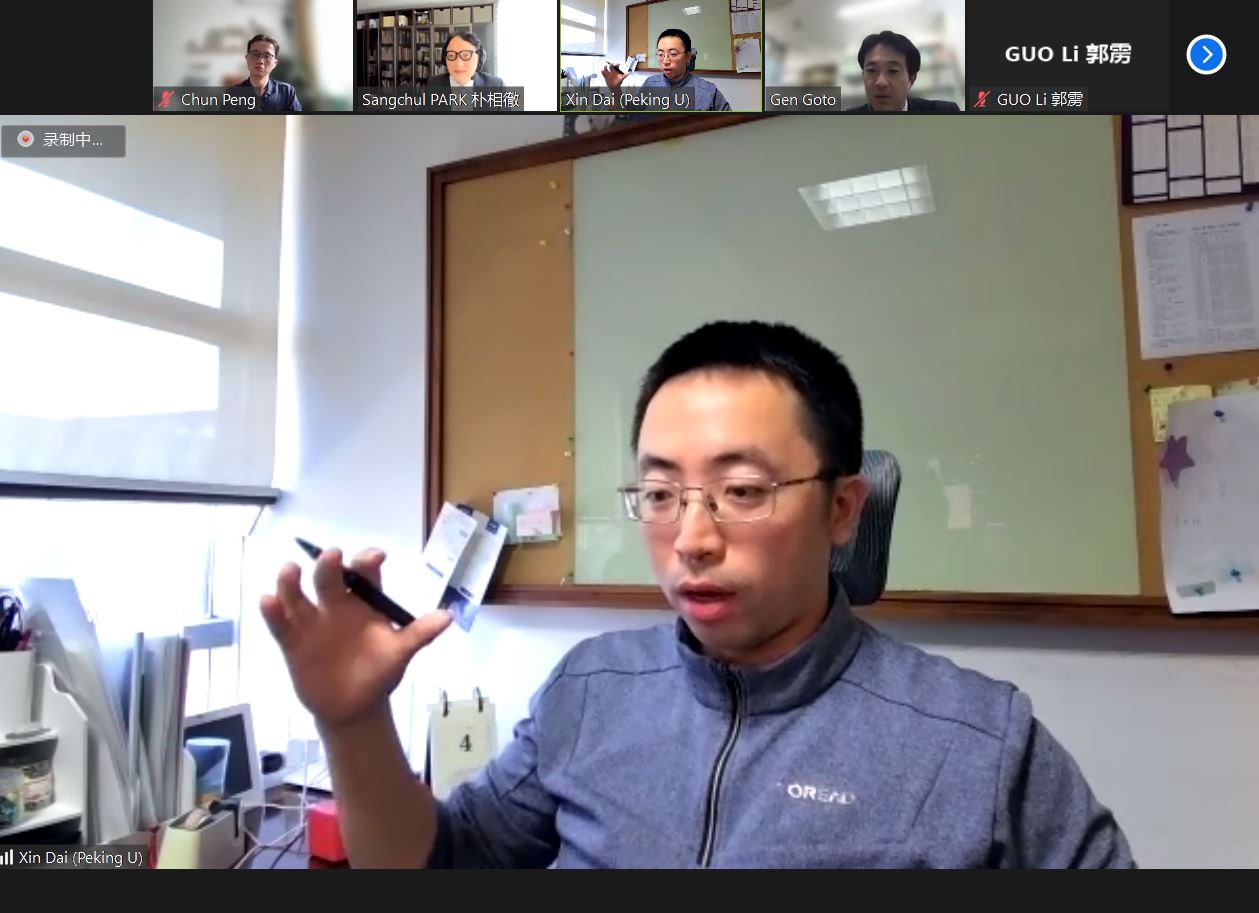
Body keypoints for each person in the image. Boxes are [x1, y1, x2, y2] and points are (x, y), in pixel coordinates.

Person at [261, 320, 1135, 869]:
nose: (690, 537)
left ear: (841, 509)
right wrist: (353, 720)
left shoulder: (977, 742)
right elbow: (441, 860)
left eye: (742, 490)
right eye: (660, 492)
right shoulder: (589, 689)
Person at [601, 29, 731, 112]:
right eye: (660, 54)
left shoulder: (708, 92)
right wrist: (615, 89)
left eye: (673, 54)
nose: (665, 61)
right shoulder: (651, 84)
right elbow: (629, 112)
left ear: (688, 57)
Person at [845, 30, 959, 113]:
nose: (881, 82)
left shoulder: (944, 113)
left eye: (893, 71)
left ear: (911, 80)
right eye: (871, 70)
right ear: (863, 76)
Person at [237, 34, 301, 112]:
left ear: (275, 63)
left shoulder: (287, 92)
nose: (260, 61)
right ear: (247, 58)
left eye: (267, 56)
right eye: (255, 54)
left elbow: (296, 119)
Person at [426, 32, 504, 88]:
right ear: (445, 59)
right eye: (451, 55)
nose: (458, 64)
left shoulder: (497, 86)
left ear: (479, 58)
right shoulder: (433, 84)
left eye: (466, 55)